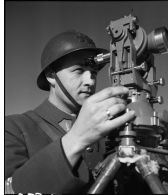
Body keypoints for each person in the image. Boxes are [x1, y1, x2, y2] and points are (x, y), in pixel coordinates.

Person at [5, 30, 136, 194]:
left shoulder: (110, 132)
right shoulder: (13, 128)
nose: (90, 81)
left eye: (93, 73)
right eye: (79, 71)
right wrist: (77, 139)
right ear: (51, 75)